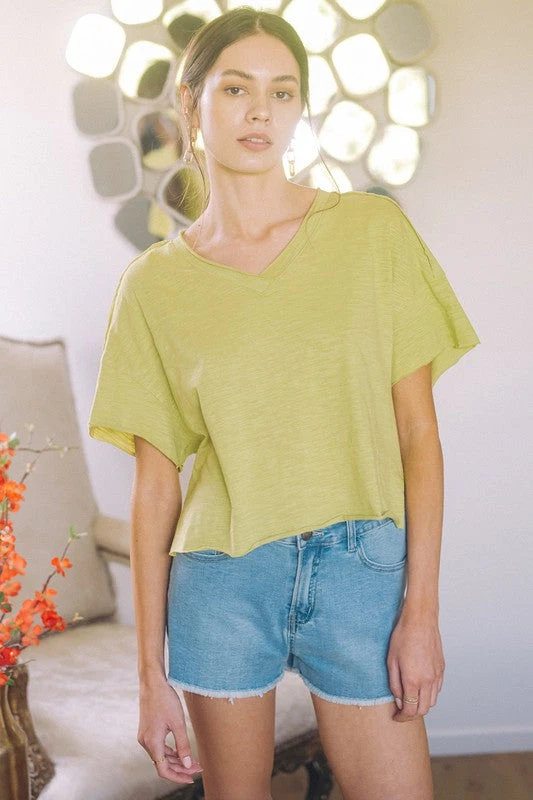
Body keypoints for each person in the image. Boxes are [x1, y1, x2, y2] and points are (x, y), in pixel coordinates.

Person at [88, 7, 481, 800]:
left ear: (299, 107)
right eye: (236, 89)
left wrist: (421, 613)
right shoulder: (153, 287)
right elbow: (156, 488)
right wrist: (149, 678)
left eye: (281, 91)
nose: (260, 111)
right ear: (191, 105)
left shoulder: (371, 233)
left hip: (362, 569)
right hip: (222, 579)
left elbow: (417, 434)